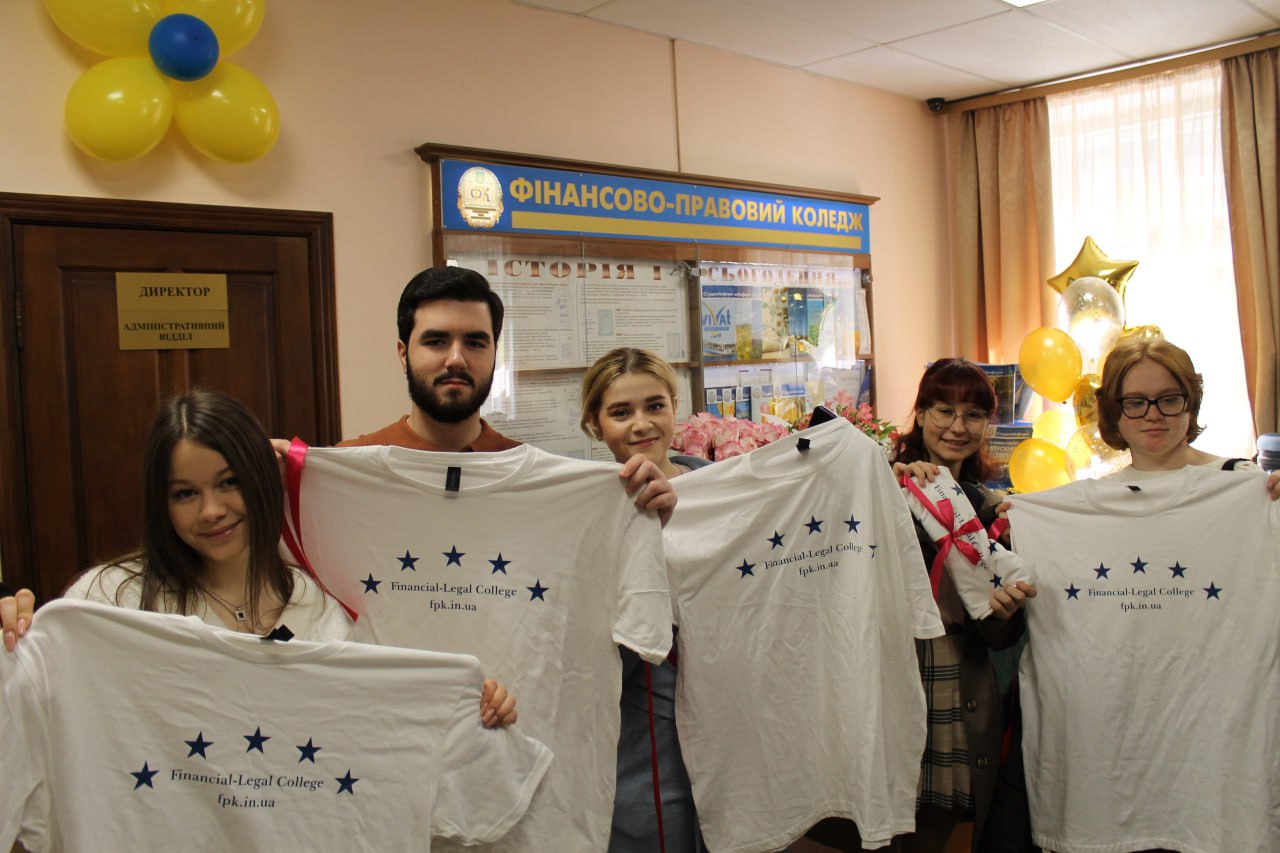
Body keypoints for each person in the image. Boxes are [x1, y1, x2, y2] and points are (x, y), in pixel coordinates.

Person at [2, 389, 517, 727]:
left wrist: (463, 708)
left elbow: (369, 719)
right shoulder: (110, 599)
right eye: (185, 493)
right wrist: (17, 645)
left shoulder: (314, 603)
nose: (211, 511)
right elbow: (39, 716)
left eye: (230, 483)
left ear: (260, 480)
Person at [336, 266, 677, 521]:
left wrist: (642, 523)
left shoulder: (538, 481)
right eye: (436, 341)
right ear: (403, 354)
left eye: (475, 343)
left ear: (494, 355)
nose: (456, 359)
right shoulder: (346, 469)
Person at [888, 359, 1036, 852]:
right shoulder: (884, 486)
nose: (957, 426)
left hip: (956, 670)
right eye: (944, 410)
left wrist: (1006, 609)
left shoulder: (990, 507)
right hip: (895, 666)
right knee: (885, 810)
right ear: (920, 414)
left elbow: (999, 636)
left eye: (973, 414)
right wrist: (888, 484)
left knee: (937, 818)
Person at [579, 347, 707, 853]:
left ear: (676, 405)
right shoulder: (587, 511)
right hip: (643, 744)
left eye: (655, 405)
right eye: (620, 412)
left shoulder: (718, 485)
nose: (641, 424)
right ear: (594, 424)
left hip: (733, 724)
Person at [1097, 334, 1280, 498]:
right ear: (1111, 409)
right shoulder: (1100, 497)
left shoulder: (1240, 480)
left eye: (1169, 400)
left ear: (1191, 403)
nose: (1154, 415)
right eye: (1136, 403)